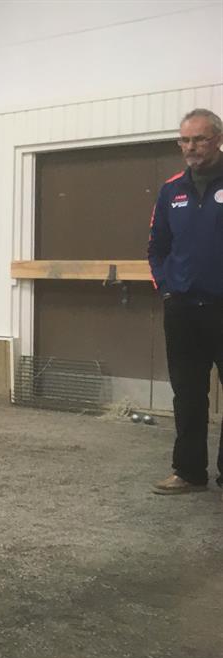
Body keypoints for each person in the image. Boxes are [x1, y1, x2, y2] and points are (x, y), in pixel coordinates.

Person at [148, 108, 223, 495]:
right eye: (184, 140)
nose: (191, 147)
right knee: (188, 394)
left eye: (199, 139)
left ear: (218, 139)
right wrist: (167, 288)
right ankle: (190, 471)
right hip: (182, 311)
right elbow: (156, 247)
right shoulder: (171, 190)